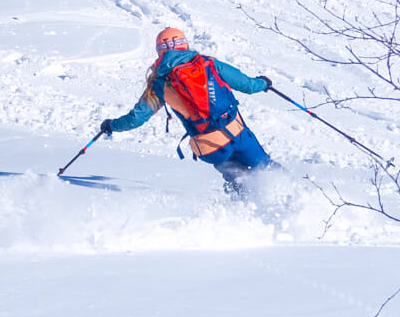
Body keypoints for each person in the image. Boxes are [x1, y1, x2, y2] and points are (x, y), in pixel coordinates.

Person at [101, 27, 276, 195]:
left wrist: (111, 125)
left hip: (210, 147)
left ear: (159, 52)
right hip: (237, 132)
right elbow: (247, 85)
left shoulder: (159, 84)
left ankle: (246, 214)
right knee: (266, 169)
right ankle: (294, 195)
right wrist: (263, 83)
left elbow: (136, 119)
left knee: (237, 181)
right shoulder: (209, 64)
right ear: (184, 44)